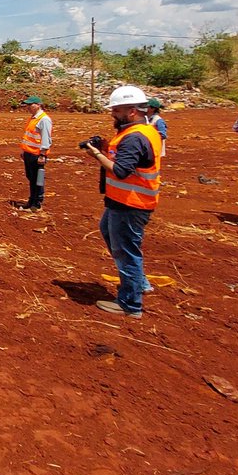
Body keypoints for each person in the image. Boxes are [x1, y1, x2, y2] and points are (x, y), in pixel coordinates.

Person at [80, 85, 162, 318]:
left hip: (131, 202)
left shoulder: (135, 137)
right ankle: (139, 283)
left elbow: (121, 170)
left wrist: (96, 154)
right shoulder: (136, 132)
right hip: (122, 200)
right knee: (109, 232)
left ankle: (130, 303)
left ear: (132, 111)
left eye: (116, 110)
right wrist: (105, 147)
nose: (112, 114)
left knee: (126, 250)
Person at [18, 95, 52, 210]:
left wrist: (42, 154)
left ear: (38, 105)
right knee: (31, 178)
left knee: (37, 179)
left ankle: (36, 203)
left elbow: (46, 139)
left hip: (37, 155)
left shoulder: (44, 119)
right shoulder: (33, 118)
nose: (28, 107)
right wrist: (24, 150)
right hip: (29, 153)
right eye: (27, 105)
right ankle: (31, 200)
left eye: (30, 104)